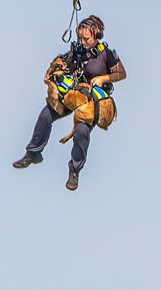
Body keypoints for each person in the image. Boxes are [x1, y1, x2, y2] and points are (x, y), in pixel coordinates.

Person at [13, 15, 126, 191]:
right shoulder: (77, 51)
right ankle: (33, 153)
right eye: (80, 38)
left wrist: (104, 78)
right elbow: (63, 64)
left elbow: (121, 73)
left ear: (96, 35)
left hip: (90, 102)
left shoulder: (106, 54)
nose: (83, 41)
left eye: (86, 38)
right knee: (46, 114)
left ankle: (74, 169)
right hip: (73, 94)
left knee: (81, 132)